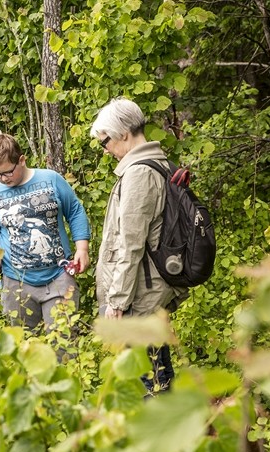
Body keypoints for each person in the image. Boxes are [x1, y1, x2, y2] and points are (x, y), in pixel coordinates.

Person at [90, 97, 186, 392]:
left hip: (141, 292)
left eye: (105, 142)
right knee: (154, 365)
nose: (105, 151)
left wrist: (117, 301)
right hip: (151, 286)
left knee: (148, 376)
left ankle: (160, 432)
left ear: (123, 134)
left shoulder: (138, 173)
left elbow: (130, 244)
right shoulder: (157, 162)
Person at [0, 134, 91, 330]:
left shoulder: (50, 180)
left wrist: (82, 249)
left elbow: (74, 211)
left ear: (21, 160)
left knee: (63, 341)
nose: (4, 179)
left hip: (58, 275)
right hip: (16, 282)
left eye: (8, 172)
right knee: (24, 342)